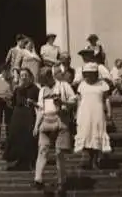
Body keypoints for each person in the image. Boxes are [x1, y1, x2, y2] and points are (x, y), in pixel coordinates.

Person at [33, 66, 76, 194]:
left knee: (59, 153)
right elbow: (40, 109)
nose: (43, 83)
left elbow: (74, 101)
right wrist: (36, 125)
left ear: (49, 76)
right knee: (42, 149)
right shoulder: (42, 90)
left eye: (44, 80)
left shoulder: (64, 86)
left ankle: (62, 181)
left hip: (61, 121)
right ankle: (38, 178)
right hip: (46, 122)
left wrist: (62, 102)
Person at [74, 62, 112, 169]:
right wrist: (77, 114)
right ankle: (89, 158)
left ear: (95, 73)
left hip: (98, 111)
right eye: (86, 73)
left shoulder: (102, 84)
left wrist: (109, 112)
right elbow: (79, 100)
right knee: (86, 134)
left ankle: (95, 160)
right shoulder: (82, 84)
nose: (88, 76)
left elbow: (107, 99)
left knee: (97, 133)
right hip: (84, 112)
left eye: (91, 73)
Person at [3, 68, 39, 170]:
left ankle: (29, 162)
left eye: (25, 75)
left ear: (30, 77)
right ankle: (19, 161)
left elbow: (41, 104)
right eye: (22, 75)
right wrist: (7, 101)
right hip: (17, 117)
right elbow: (12, 104)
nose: (23, 77)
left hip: (29, 117)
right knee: (16, 138)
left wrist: (33, 103)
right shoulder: (17, 89)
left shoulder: (35, 89)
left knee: (28, 139)